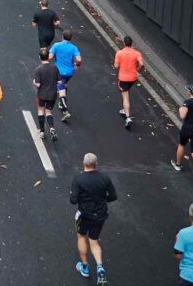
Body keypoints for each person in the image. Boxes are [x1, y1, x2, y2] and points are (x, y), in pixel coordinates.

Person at [70, 153, 117, 284]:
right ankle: (100, 266)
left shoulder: (78, 179)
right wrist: (103, 199)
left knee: (81, 236)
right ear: (96, 164)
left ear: (83, 164)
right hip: (100, 215)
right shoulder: (105, 178)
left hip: (84, 214)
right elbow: (113, 197)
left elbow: (73, 200)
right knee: (94, 241)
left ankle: (85, 267)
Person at [171, 85, 193, 190]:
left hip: (187, 129)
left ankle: (177, 165)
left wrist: (180, 108)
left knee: (182, 145)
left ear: (189, 92)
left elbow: (182, 116)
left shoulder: (187, 102)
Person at [49, 29, 82, 122]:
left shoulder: (56, 45)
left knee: (61, 90)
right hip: (70, 72)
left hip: (59, 72)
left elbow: (50, 57)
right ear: (70, 38)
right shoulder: (74, 48)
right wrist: (77, 64)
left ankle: (65, 110)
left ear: (62, 36)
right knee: (64, 85)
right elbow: (79, 59)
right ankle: (61, 103)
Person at [113, 35, 145, 130]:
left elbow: (116, 66)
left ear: (124, 43)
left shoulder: (119, 53)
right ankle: (124, 109)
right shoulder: (136, 53)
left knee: (125, 98)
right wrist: (138, 69)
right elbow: (142, 64)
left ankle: (127, 117)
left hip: (123, 78)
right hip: (133, 78)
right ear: (132, 44)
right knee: (126, 92)